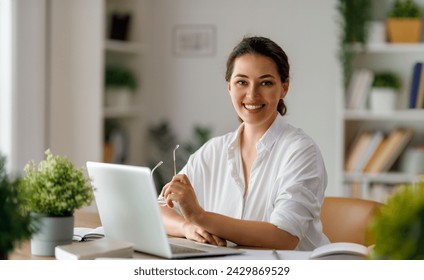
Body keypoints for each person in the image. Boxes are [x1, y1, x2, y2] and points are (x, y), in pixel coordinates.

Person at [159, 36, 330, 251]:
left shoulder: (301, 152)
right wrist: (187, 227)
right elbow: (162, 208)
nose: (252, 94)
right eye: (242, 82)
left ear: (284, 87)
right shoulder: (213, 150)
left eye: (265, 83)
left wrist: (200, 217)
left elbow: (284, 237)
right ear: (229, 86)